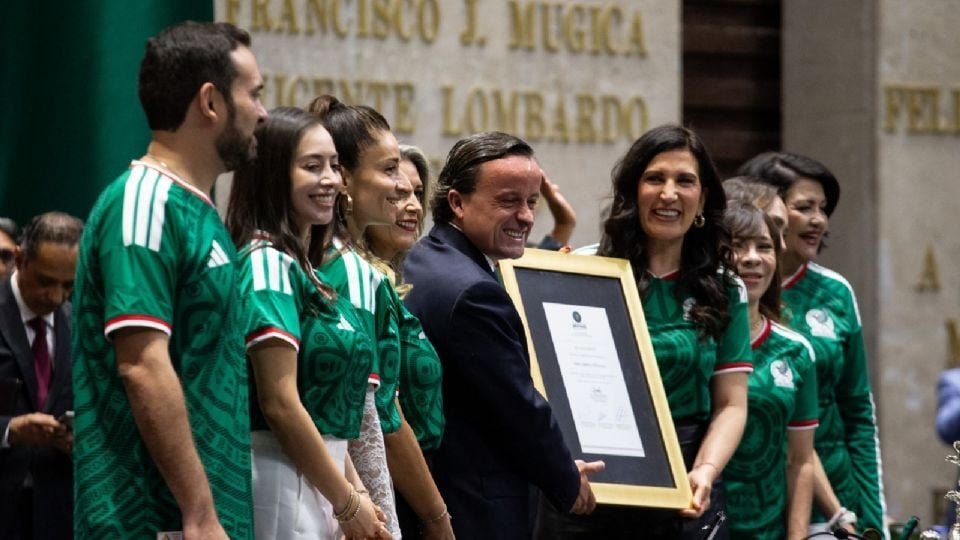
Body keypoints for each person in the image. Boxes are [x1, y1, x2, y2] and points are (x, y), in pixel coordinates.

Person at [72, 21, 266, 538]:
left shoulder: (198, 211)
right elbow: (141, 364)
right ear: (210, 101)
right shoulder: (144, 203)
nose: (262, 112)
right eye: (255, 93)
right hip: (154, 520)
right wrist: (199, 514)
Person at [544, 124, 752, 539]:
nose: (668, 193)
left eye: (685, 181)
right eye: (655, 178)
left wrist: (706, 472)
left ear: (704, 197)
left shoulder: (726, 287)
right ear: (633, 191)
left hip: (686, 487)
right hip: (590, 483)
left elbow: (731, 404)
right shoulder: (584, 271)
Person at [403, 131, 604, 540]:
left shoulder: (420, 259)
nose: (527, 217)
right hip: (473, 509)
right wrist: (566, 479)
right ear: (457, 202)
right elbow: (518, 409)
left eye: (532, 202)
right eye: (509, 201)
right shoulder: (472, 291)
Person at [226, 107, 388, 539]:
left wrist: (355, 492)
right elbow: (280, 404)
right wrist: (347, 500)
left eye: (334, 165)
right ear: (274, 174)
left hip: (321, 479)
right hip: (279, 477)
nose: (331, 180)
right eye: (312, 166)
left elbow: (327, 411)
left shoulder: (305, 268)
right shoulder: (265, 264)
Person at [308, 96, 454, 540]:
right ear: (346, 179)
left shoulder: (351, 266)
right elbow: (378, 419)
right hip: (357, 499)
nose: (401, 187)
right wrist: (437, 519)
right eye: (389, 170)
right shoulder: (350, 273)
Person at [740, 152, 887, 538]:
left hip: (836, 499)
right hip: (753, 497)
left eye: (824, 208)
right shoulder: (727, 297)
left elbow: (857, 412)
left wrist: (871, 519)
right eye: (804, 207)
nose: (819, 219)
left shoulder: (835, 292)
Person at [721, 202, 818, 540]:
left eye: (764, 247)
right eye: (737, 245)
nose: (751, 258)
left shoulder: (797, 350)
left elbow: (801, 460)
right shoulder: (694, 343)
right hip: (696, 524)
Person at [365, 144, 446, 538]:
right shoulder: (364, 282)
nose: (412, 206)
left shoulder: (398, 281)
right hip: (385, 493)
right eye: (398, 195)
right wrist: (437, 517)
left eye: (417, 193)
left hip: (412, 486)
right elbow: (384, 416)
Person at [0, 212, 81, 539]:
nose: (56, 297)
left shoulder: (78, 327)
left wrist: (77, 439)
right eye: (46, 281)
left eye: (69, 285)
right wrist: (9, 430)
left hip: (55, 511)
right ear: (20, 258)